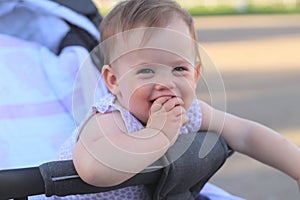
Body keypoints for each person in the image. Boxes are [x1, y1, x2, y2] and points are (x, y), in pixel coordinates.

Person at [58, 0, 300, 199]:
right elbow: (92, 170)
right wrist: (157, 135)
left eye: (179, 69)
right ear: (114, 81)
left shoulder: (191, 112)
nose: (166, 82)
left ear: (195, 76)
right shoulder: (111, 118)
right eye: (146, 71)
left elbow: (247, 135)